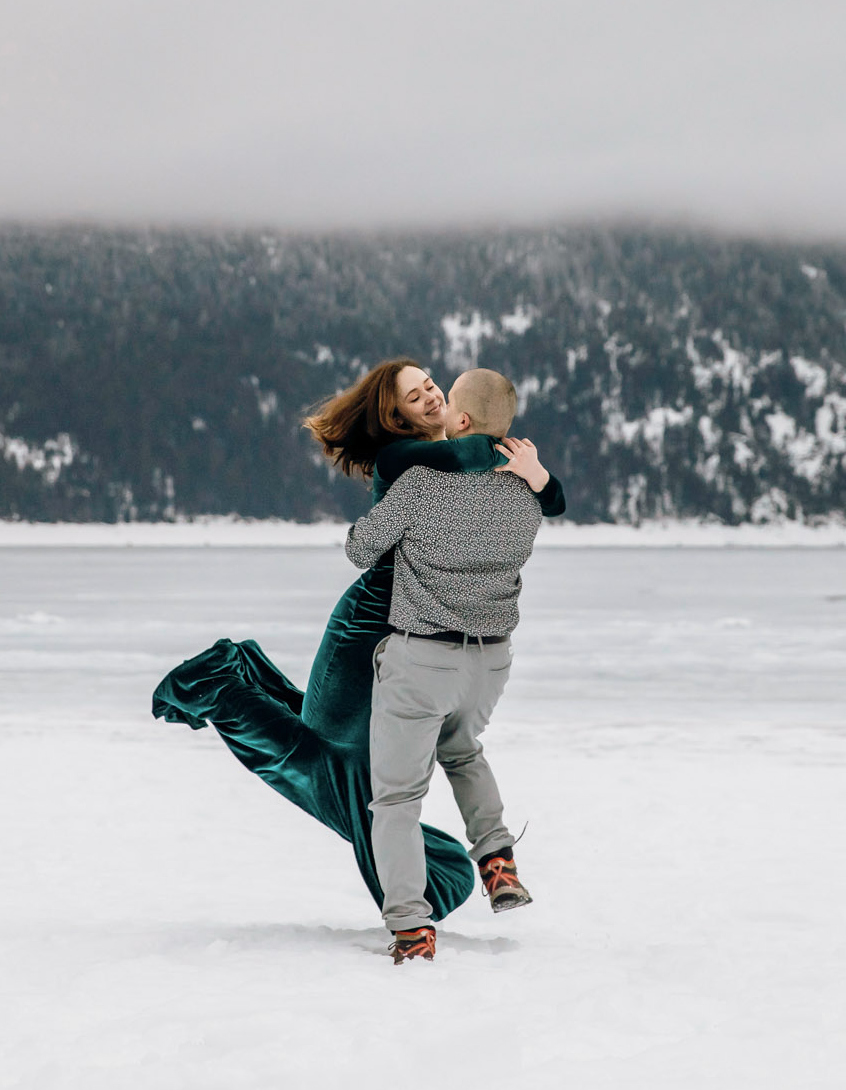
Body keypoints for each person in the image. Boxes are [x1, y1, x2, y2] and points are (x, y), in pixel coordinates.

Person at [151, 358, 566, 935]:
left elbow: (537, 494)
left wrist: (531, 473)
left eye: (430, 385)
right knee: (331, 757)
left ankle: (412, 902)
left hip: (418, 630)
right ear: (394, 416)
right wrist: (504, 450)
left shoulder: (452, 460)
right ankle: (218, 685)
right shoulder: (405, 460)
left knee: (360, 768)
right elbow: (473, 460)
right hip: (371, 627)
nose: (428, 396)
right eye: (413, 395)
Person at [344, 368, 548, 964]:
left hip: (421, 660)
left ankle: (411, 927)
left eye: (445, 397)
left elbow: (361, 549)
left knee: (398, 801)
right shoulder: (526, 496)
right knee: (463, 752)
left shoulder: (418, 487)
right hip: (490, 663)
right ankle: (498, 860)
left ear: (460, 423)